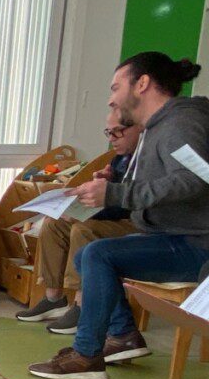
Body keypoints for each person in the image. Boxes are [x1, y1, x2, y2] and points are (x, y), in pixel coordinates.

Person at [29, 52, 209, 379]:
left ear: (142, 84)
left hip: (195, 242)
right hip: (169, 236)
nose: (111, 98)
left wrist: (115, 194)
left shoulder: (180, 122)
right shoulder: (158, 128)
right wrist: (109, 187)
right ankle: (123, 334)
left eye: (115, 88)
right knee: (88, 256)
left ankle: (86, 355)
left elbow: (196, 179)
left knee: (97, 253)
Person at [16, 109, 142, 334]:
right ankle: (53, 297)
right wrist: (105, 182)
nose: (111, 138)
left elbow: (129, 205)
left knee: (83, 229)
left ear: (138, 130)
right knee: (53, 223)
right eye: (108, 132)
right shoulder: (120, 159)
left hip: (137, 223)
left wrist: (94, 206)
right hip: (113, 216)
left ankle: (82, 304)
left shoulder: (147, 159)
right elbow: (113, 195)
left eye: (118, 132)